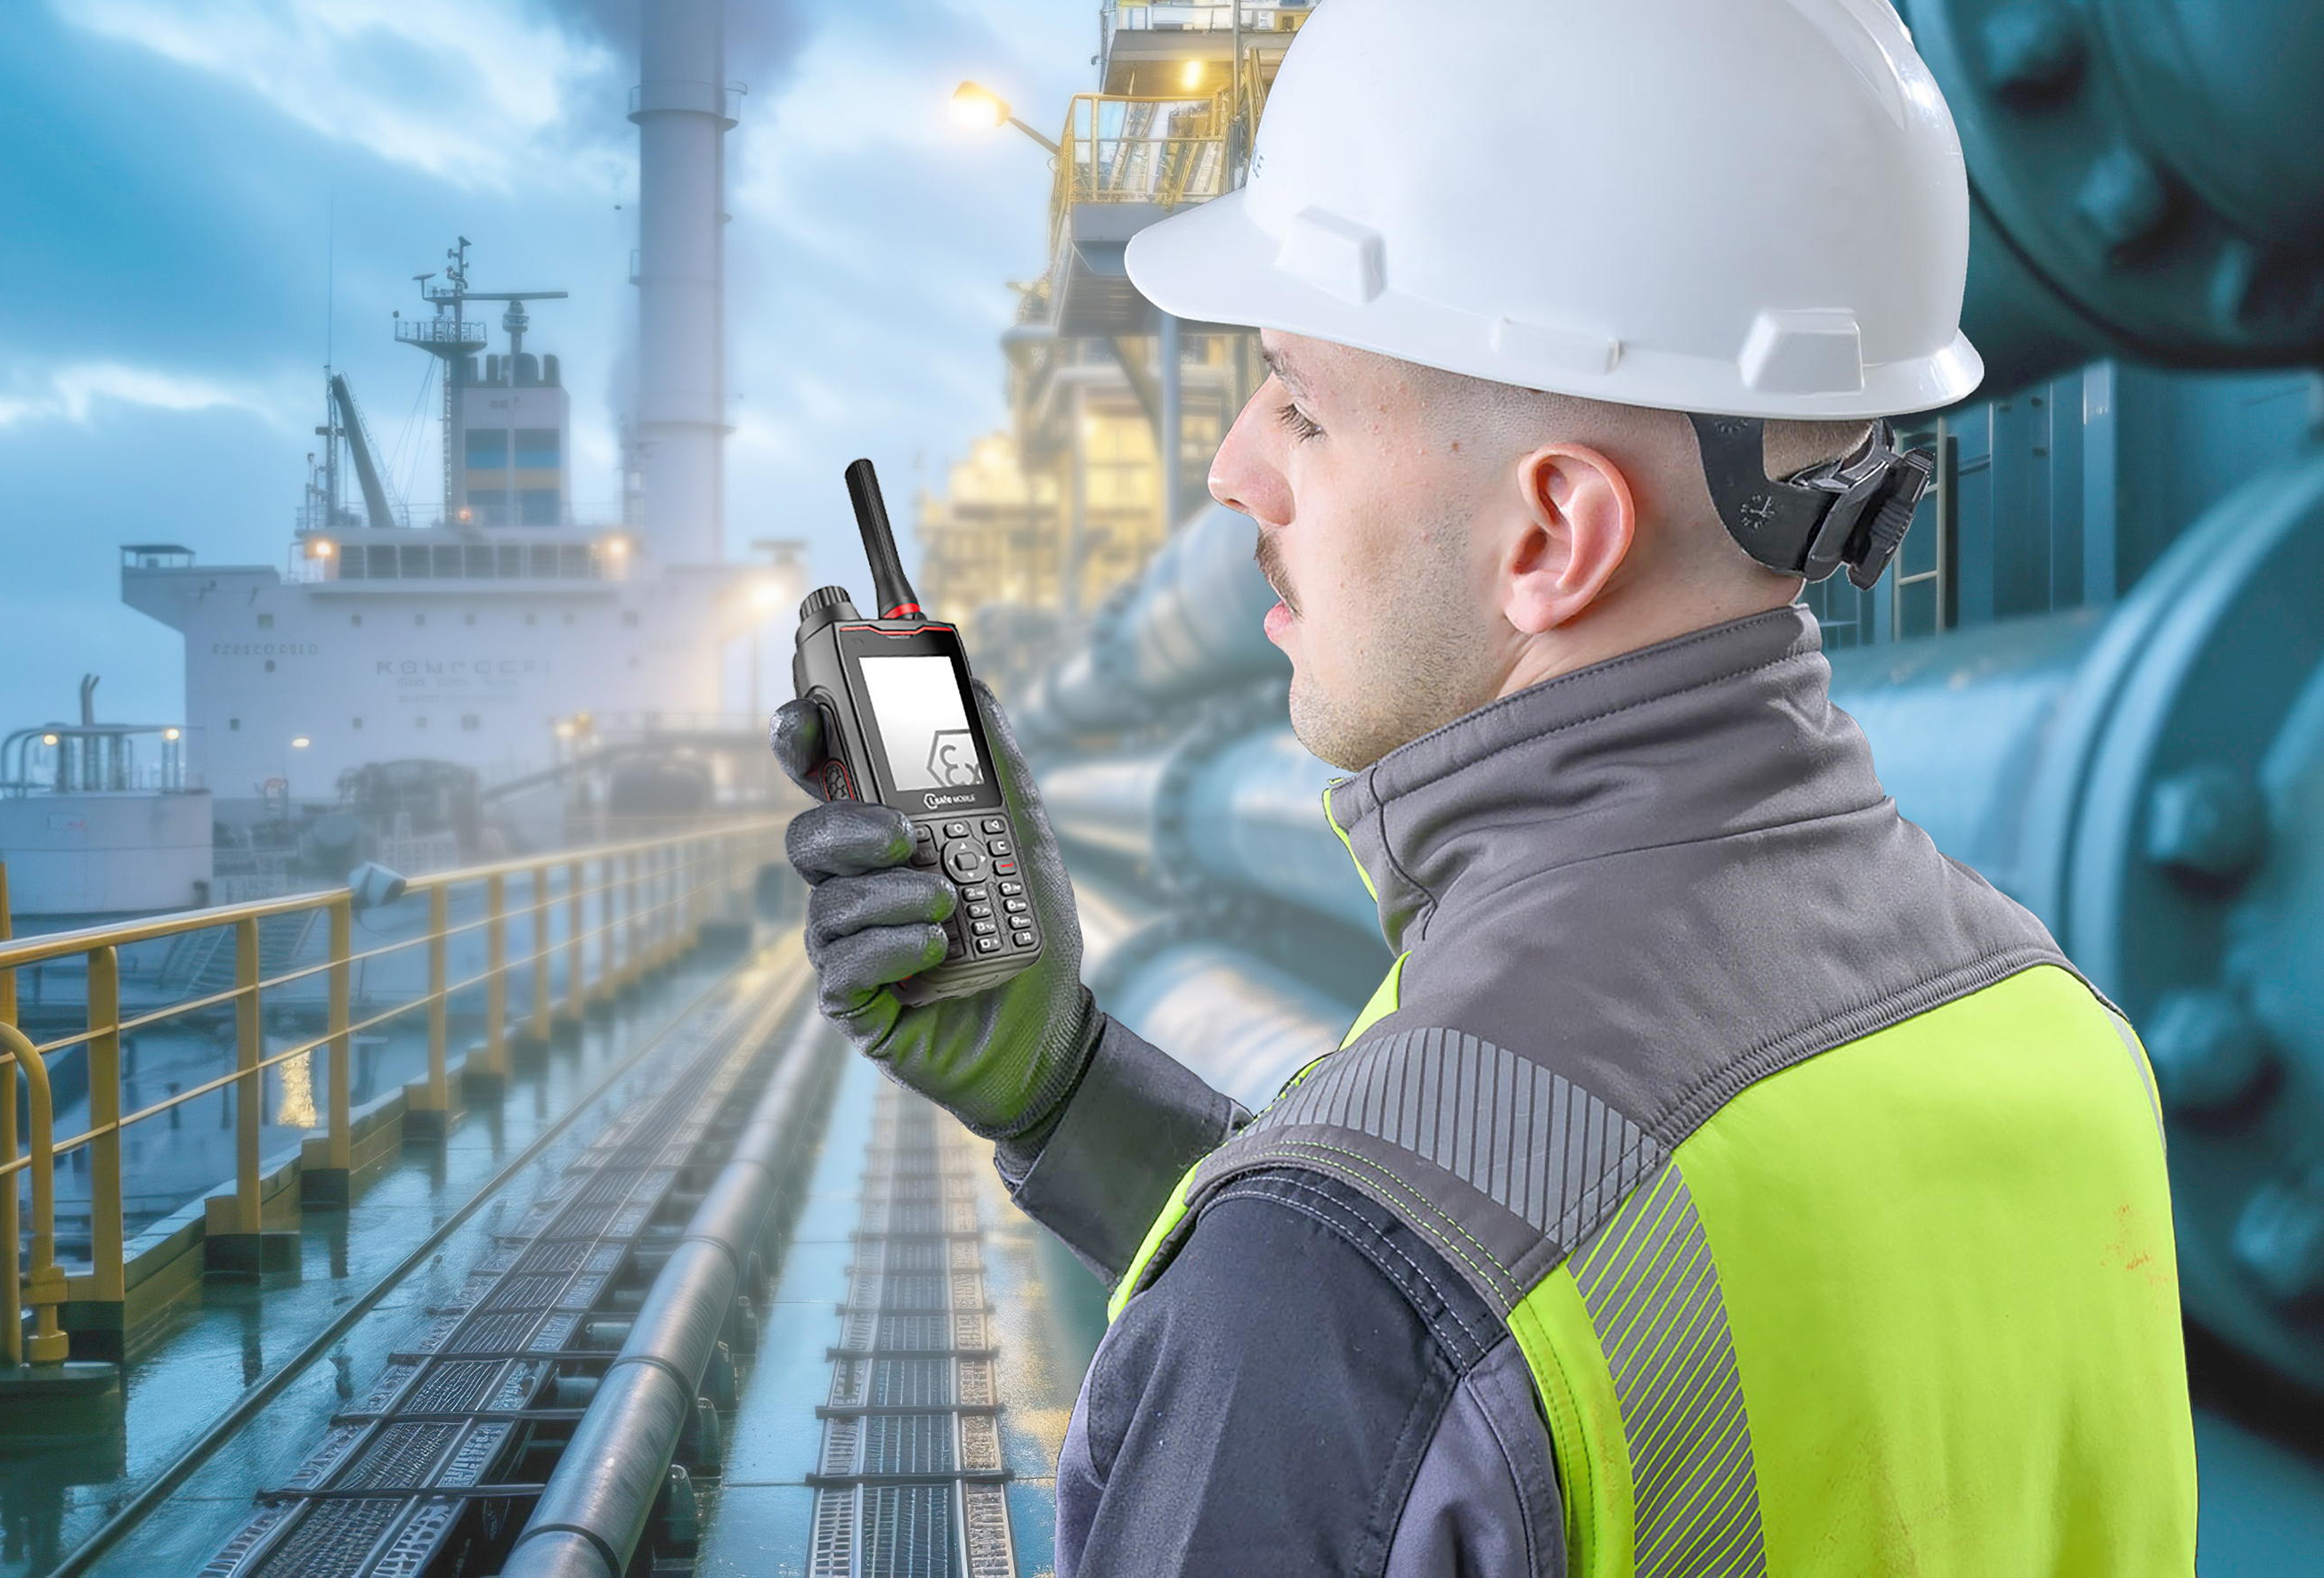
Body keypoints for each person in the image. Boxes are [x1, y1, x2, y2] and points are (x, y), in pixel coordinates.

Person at [773, 0, 2198, 1571]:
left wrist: (1275, 1267)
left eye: (1301, 402)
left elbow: (1417, 1329)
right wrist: (1070, 1092)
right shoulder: (2051, 1028)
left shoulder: (1329, 1284)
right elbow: (1504, 1340)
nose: (1234, 469)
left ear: (1551, 537)